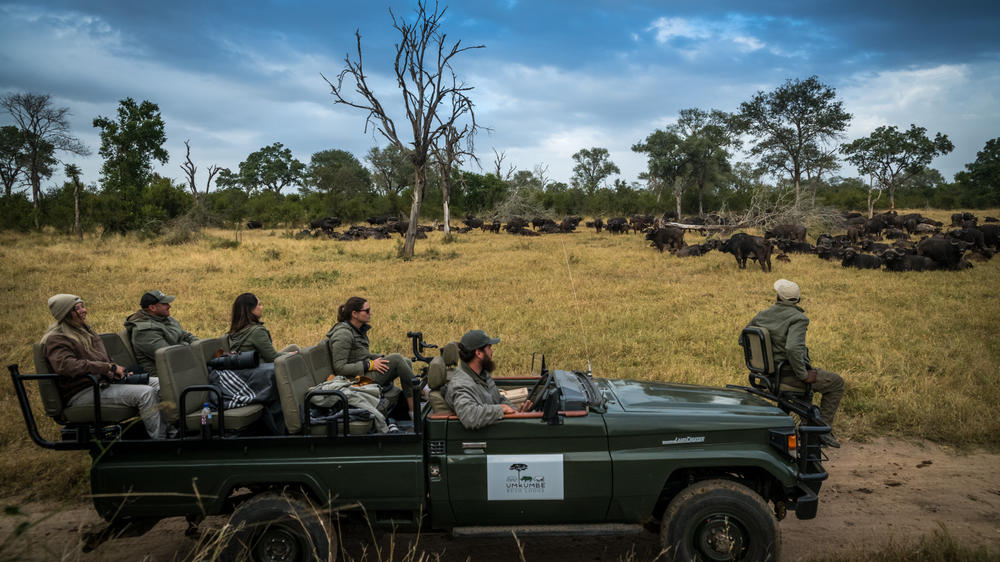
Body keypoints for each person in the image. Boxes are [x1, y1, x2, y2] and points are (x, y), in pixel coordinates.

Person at [41, 294, 166, 439]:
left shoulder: (86, 331)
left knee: (162, 384)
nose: (84, 310)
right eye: (77, 308)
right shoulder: (57, 338)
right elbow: (66, 366)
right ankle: (161, 440)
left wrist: (117, 372)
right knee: (146, 393)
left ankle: (175, 432)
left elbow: (103, 361)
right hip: (83, 391)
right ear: (65, 313)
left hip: (104, 384)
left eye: (83, 306)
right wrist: (108, 368)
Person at [747, 279, 845, 448]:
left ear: (777, 297)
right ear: (798, 300)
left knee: (808, 393)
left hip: (765, 376)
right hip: (787, 375)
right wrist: (803, 375)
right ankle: (821, 431)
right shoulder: (798, 318)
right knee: (836, 383)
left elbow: (743, 339)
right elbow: (792, 348)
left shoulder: (762, 315)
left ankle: (808, 427)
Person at [326, 297, 415, 419]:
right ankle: (421, 390)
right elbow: (340, 368)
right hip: (355, 381)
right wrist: (369, 365)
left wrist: (380, 358)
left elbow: (362, 354)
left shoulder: (356, 330)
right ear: (355, 314)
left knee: (405, 361)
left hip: (362, 375)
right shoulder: (343, 334)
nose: (370, 313)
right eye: (367, 311)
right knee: (397, 358)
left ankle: (413, 411)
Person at [445, 329, 530, 430]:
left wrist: (517, 413)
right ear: (479, 353)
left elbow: (498, 399)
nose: (491, 352)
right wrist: (501, 409)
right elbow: (469, 416)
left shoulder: (482, 374)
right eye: (489, 348)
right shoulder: (460, 384)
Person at [124, 290, 198, 377]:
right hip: (166, 375)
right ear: (152, 308)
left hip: (182, 366)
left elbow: (187, 335)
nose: (169, 306)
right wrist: (190, 347)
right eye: (165, 304)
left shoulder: (164, 319)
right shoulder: (144, 331)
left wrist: (199, 347)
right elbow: (169, 355)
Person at [227, 292, 299, 362]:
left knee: (293, 348)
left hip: (245, 365)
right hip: (261, 366)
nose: (262, 307)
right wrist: (290, 355)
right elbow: (272, 357)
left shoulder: (233, 331)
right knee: (298, 354)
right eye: (259, 304)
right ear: (250, 309)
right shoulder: (256, 331)